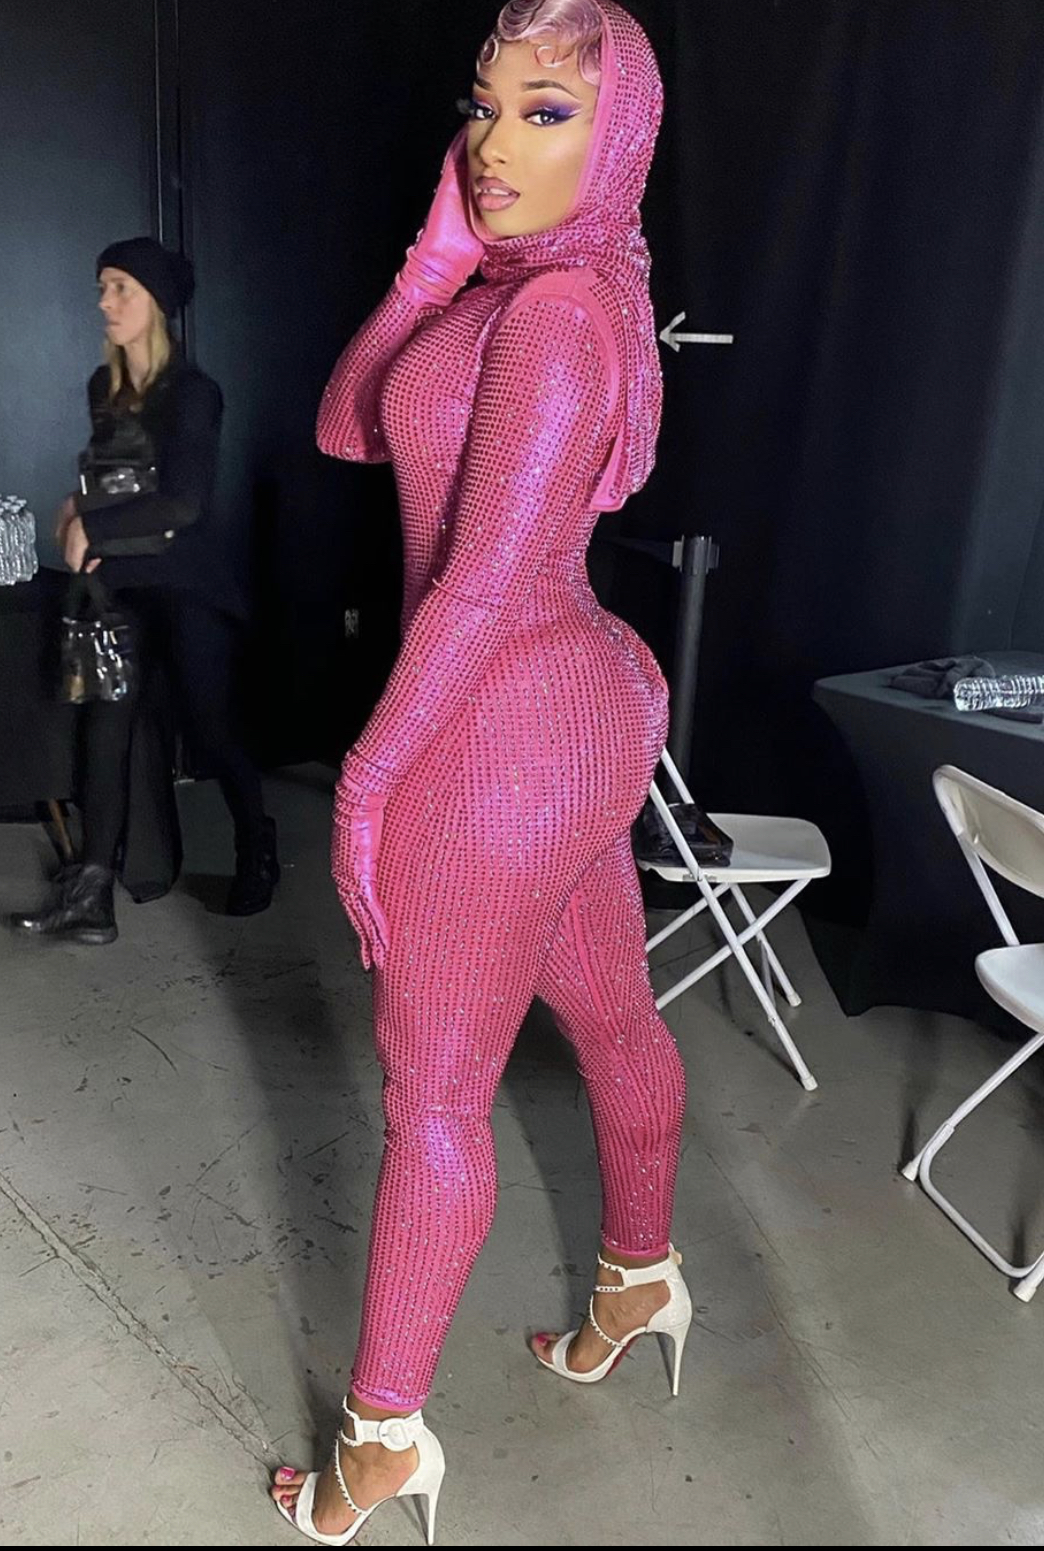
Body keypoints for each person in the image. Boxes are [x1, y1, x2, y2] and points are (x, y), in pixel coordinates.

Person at [271, 1, 688, 1542]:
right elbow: (344, 425)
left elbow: (486, 581)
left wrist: (369, 777)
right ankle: (637, 1278)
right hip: (565, 712)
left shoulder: (562, 316)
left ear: (616, 139)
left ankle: (379, 1440)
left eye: (545, 110)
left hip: (505, 721)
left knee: (435, 1094)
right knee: (611, 1011)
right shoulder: (503, 296)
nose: (495, 141)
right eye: (484, 104)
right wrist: (429, 261)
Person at [11, 237, 277, 943]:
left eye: (120, 287)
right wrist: (80, 507)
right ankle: (92, 895)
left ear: (156, 302)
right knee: (106, 731)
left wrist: (88, 525)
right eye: (102, 287)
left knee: (211, 727)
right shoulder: (103, 388)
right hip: (121, 585)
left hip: (187, 585)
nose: (105, 301)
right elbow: (114, 483)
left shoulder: (193, 393)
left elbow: (183, 503)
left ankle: (257, 842)